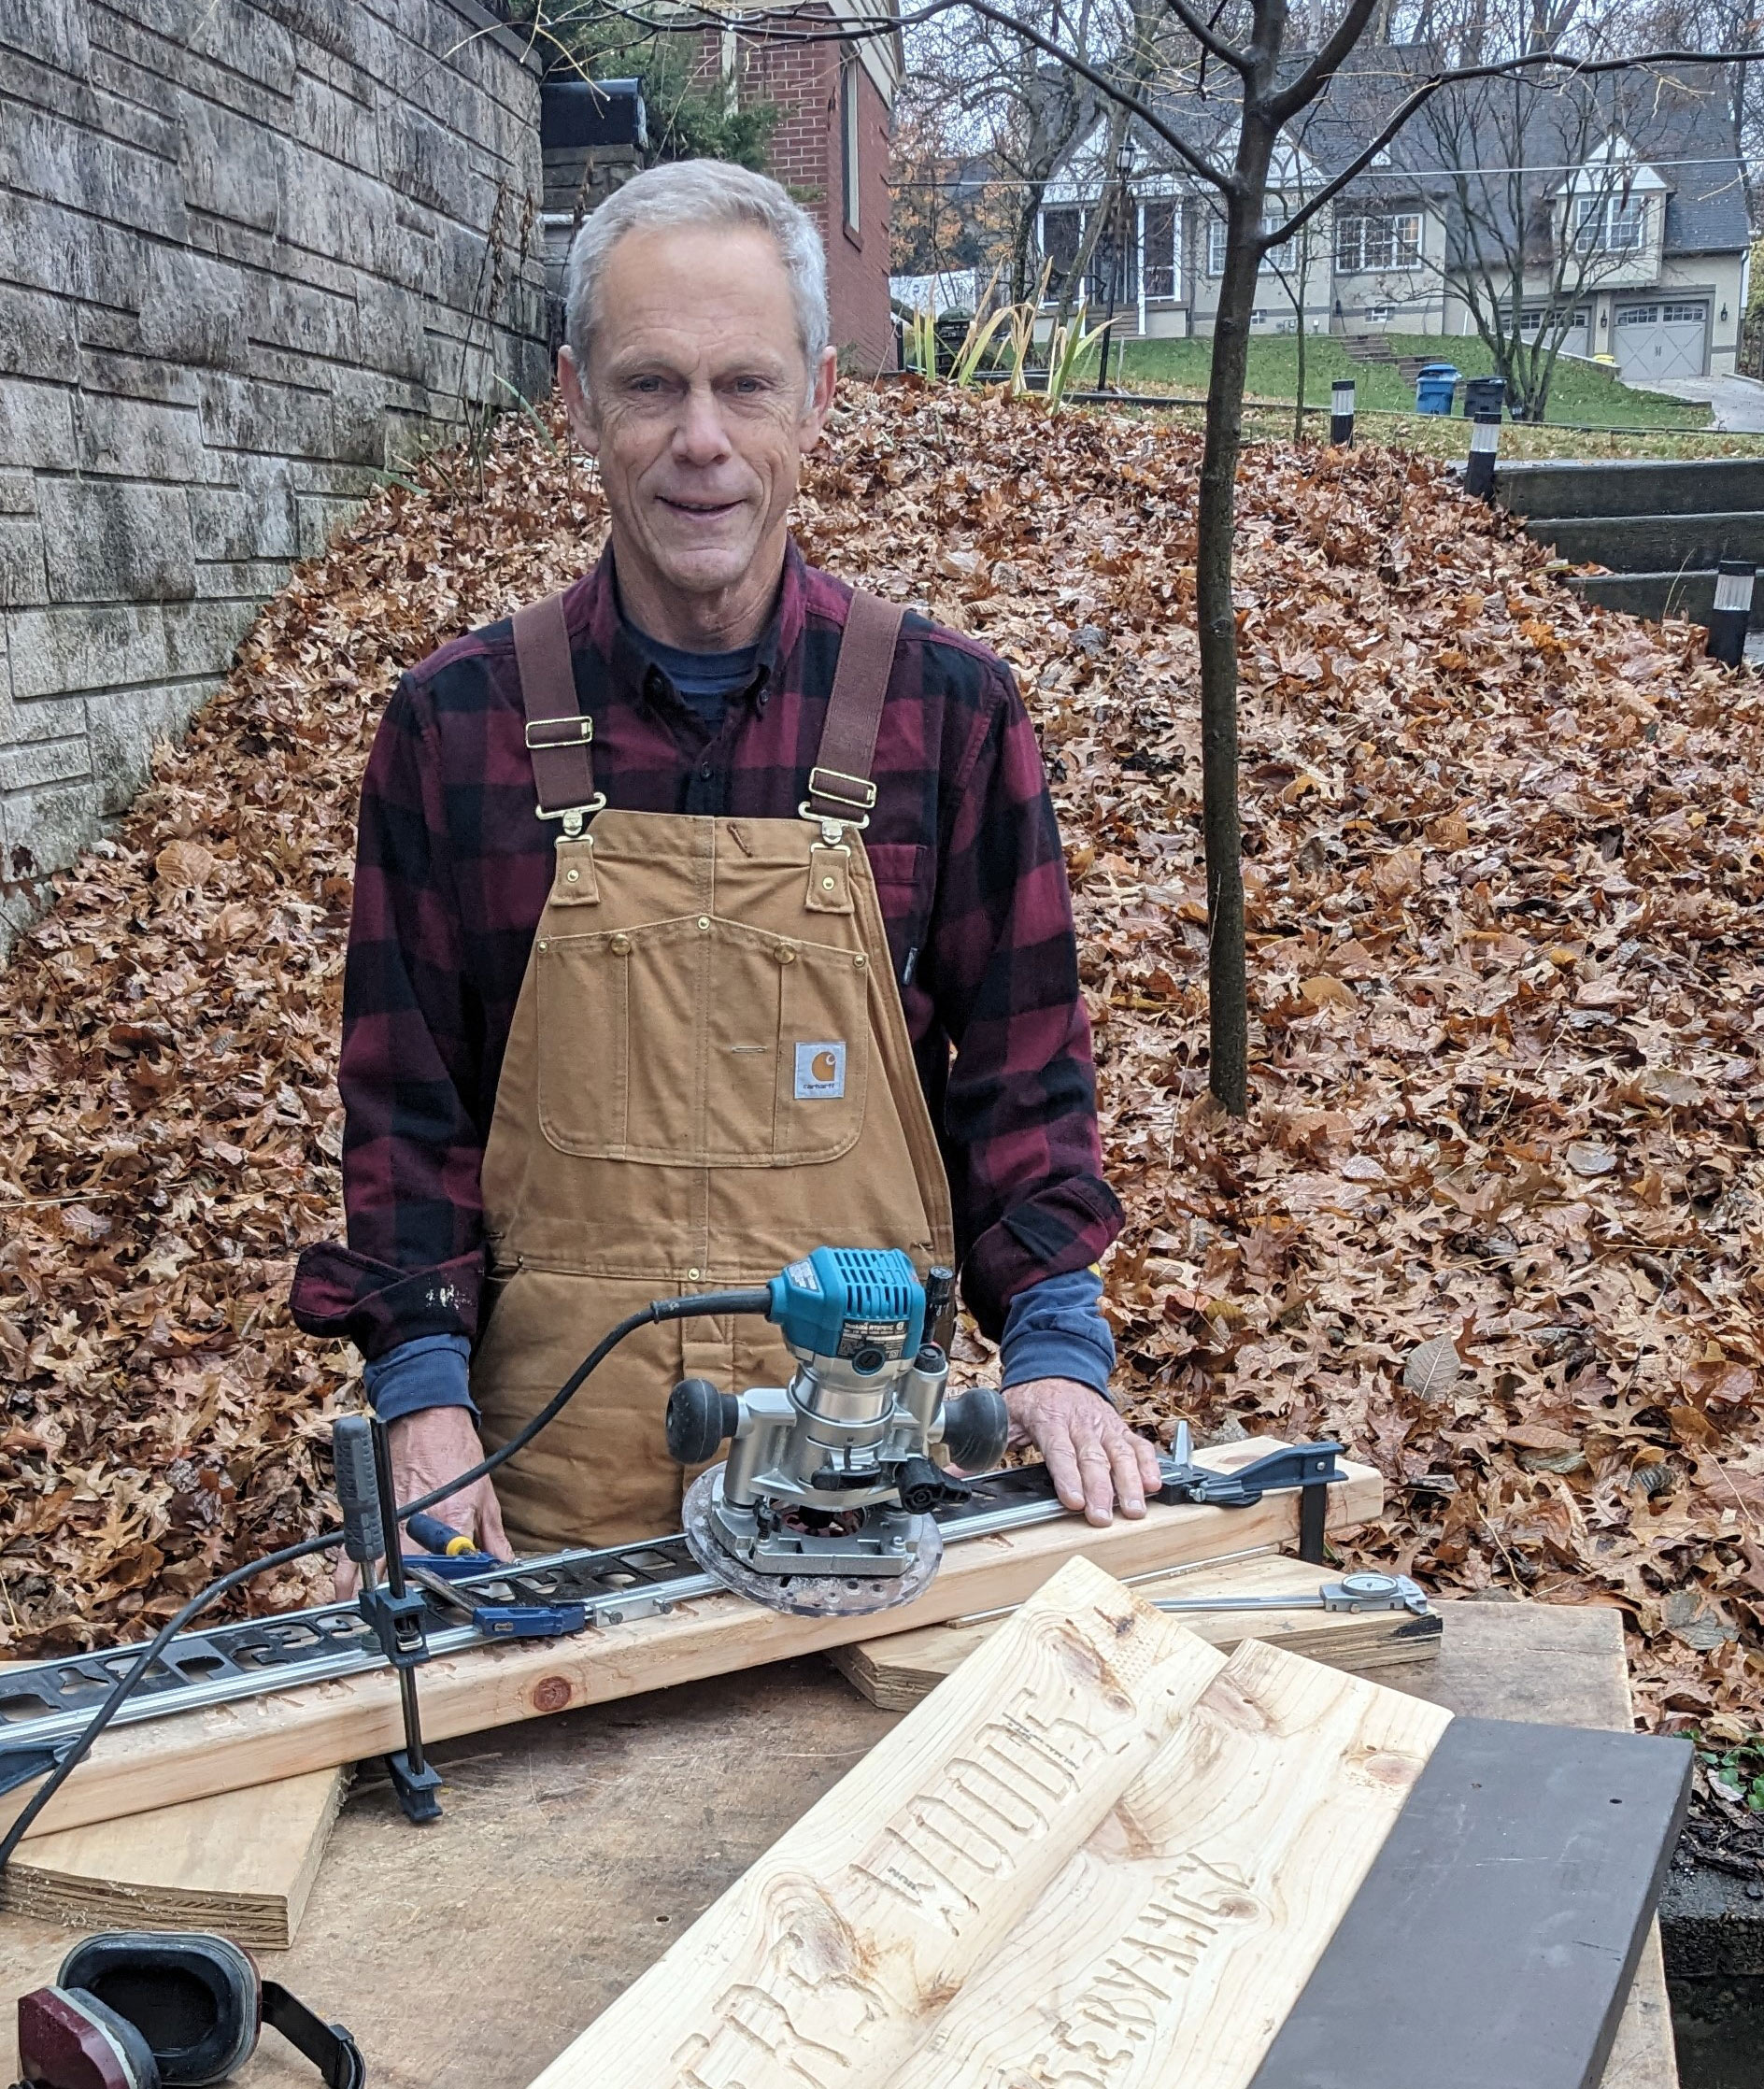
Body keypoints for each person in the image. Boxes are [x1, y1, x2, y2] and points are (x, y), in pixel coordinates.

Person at [291, 160, 1160, 1584]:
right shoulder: (456, 728)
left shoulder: (944, 714)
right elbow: (407, 1114)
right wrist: (421, 1399)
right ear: (574, 399)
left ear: (819, 396)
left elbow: (1028, 1085)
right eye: (651, 387)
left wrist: (1058, 1349)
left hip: (869, 1502)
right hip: (539, 1509)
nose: (702, 440)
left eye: (745, 386)